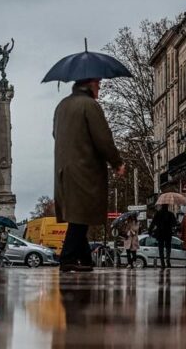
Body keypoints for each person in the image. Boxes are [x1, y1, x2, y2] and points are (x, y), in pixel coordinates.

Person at [54, 78, 125, 272]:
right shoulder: (89, 105)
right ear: (90, 84)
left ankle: (85, 259)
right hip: (84, 168)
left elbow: (55, 133)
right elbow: (103, 137)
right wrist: (116, 162)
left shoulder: (61, 106)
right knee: (81, 213)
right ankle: (67, 257)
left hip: (63, 169)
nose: (100, 87)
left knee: (79, 214)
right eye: (98, 83)